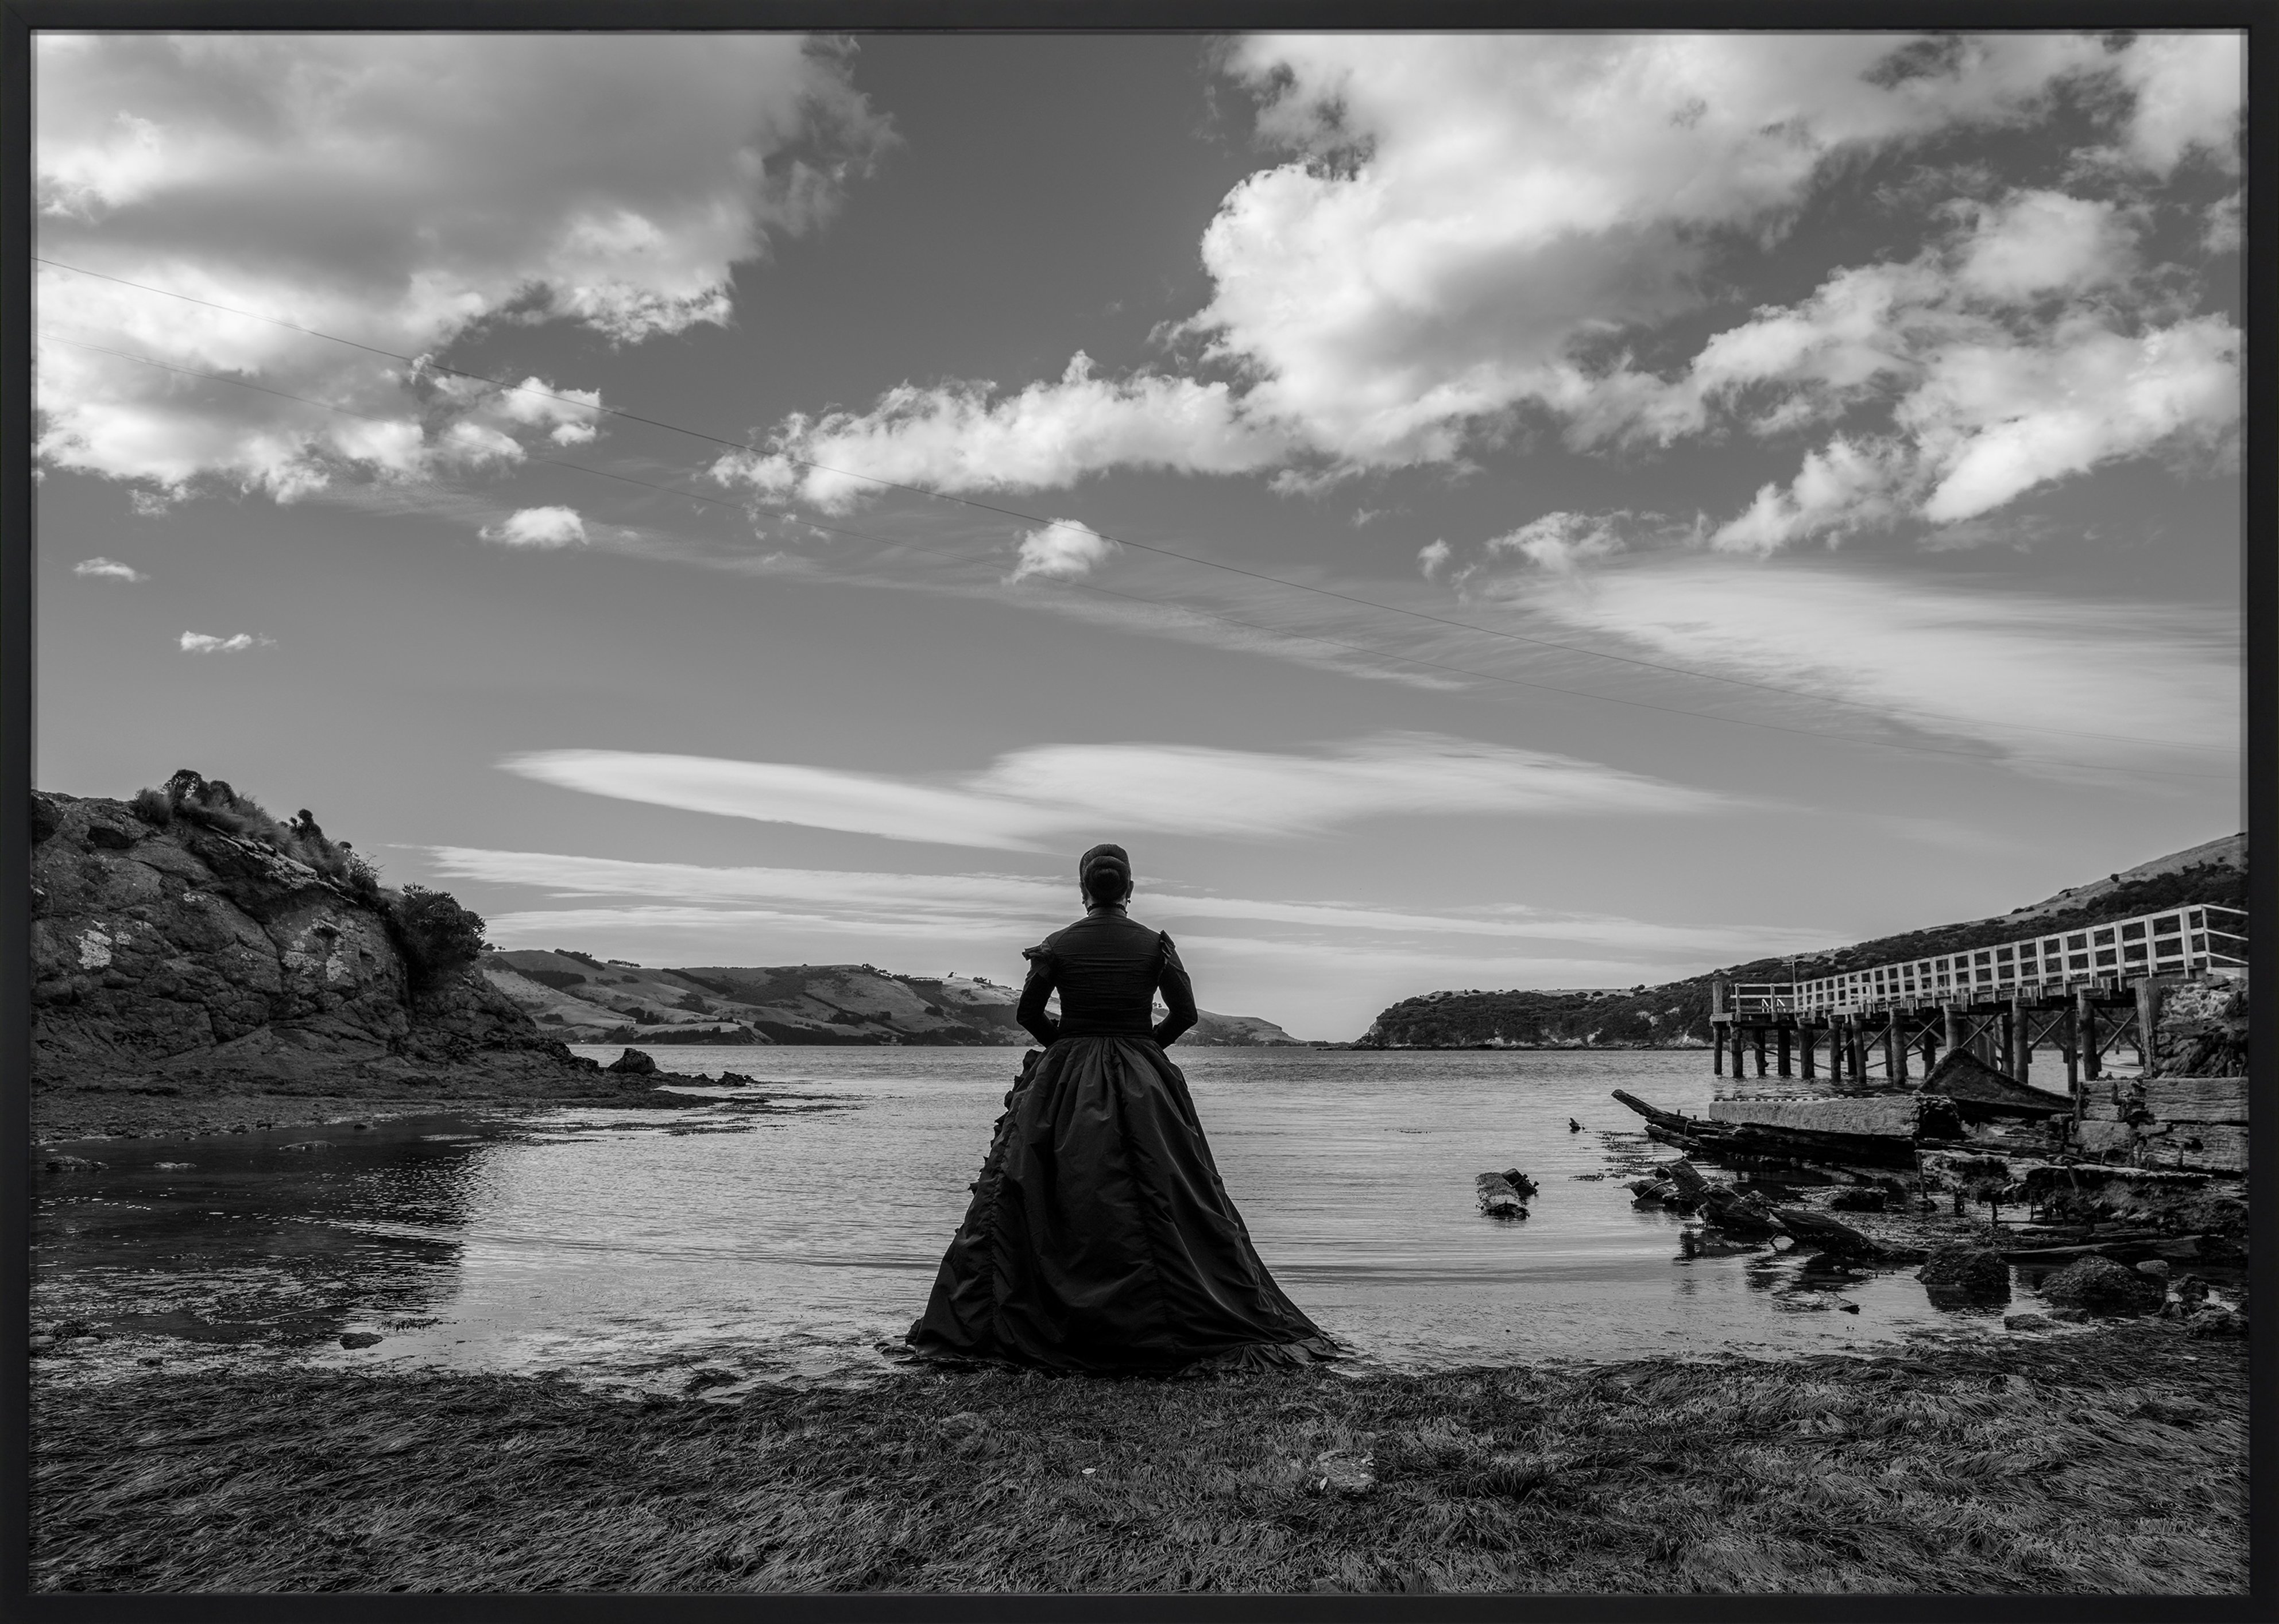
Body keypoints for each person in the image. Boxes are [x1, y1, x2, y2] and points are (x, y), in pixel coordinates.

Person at [905, 843, 1337, 1374]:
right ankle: (1163, 1313)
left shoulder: (1057, 944)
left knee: (1047, 1189)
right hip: (1142, 1074)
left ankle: (1040, 1310)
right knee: (1165, 1190)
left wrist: (1064, 1045)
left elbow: (1027, 1014)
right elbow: (1185, 1014)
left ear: (1083, 889)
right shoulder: (1154, 944)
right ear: (1129, 890)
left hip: (1065, 1073)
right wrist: (1147, 1046)